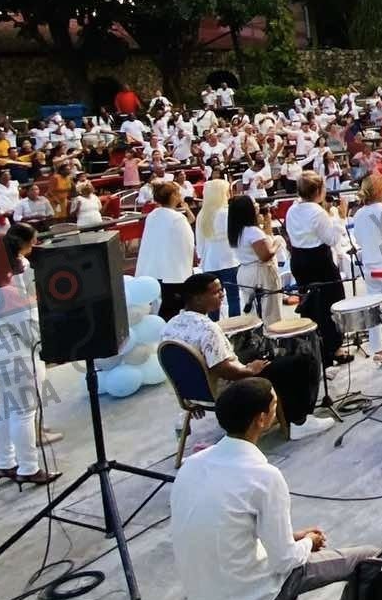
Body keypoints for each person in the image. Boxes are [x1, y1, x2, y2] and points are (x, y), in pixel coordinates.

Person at [169, 379, 375, 600]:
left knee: (284, 557)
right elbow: (284, 561)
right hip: (248, 599)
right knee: (369, 560)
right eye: (274, 406)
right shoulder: (263, 476)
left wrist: (294, 540)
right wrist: (306, 541)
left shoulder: (192, 466)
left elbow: (227, 529)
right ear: (261, 419)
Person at [162, 272, 333, 439]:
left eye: (221, 290)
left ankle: (281, 409)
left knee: (257, 354)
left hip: (196, 393)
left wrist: (194, 394)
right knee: (302, 362)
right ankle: (299, 421)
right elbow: (224, 370)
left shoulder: (170, 325)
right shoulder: (207, 328)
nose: (222, 295)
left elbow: (183, 363)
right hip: (226, 387)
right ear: (197, 298)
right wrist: (251, 370)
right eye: (216, 292)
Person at [0, 226, 56, 487]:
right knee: (24, 412)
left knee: (3, 409)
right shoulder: (8, 293)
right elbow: (30, 331)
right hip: (13, 356)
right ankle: (29, 467)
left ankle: (5, 462)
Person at [284, 172, 350, 360]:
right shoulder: (316, 212)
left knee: (310, 304)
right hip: (318, 260)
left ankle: (313, 345)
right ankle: (332, 347)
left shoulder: (292, 209)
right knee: (331, 301)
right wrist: (340, 218)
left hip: (299, 258)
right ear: (318, 191)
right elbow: (331, 239)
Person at [346, 173, 382, 355]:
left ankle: (377, 349)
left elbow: (360, 239)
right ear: (380, 190)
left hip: (370, 266)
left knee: (374, 306)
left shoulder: (359, 214)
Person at [134, 180, 197, 317]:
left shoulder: (152, 215)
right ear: (173, 196)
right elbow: (187, 244)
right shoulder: (177, 218)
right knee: (172, 309)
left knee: (165, 306)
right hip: (173, 272)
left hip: (155, 268)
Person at [230, 192, 287, 325]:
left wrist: (266, 221)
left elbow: (263, 241)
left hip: (246, 270)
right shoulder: (252, 231)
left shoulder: (237, 230)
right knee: (270, 312)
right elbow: (265, 255)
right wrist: (277, 243)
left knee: (254, 311)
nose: (257, 205)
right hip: (260, 272)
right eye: (254, 204)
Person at [196, 177, 238, 315]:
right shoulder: (227, 213)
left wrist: (201, 258)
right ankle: (235, 328)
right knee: (233, 297)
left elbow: (199, 240)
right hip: (229, 260)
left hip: (209, 262)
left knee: (212, 299)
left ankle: (214, 325)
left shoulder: (202, 214)